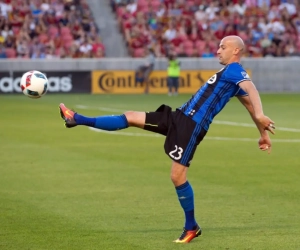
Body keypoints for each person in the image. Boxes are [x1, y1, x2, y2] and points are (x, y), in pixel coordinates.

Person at [59, 36, 275, 243]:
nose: (218, 50)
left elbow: (251, 89)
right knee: (131, 116)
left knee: (177, 176)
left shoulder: (236, 70)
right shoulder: (229, 73)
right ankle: (77, 119)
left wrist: (260, 114)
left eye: (223, 47)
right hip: (179, 117)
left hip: (191, 126)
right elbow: (248, 103)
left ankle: (191, 227)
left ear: (236, 50)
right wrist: (263, 134)